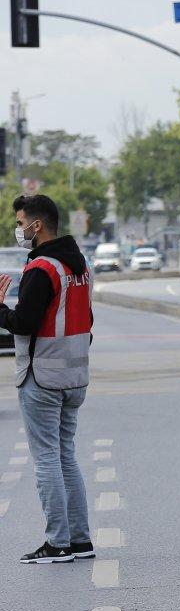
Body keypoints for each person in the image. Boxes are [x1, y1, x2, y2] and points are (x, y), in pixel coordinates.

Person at [0, 195, 94, 564]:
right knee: (66, 457)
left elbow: (23, 323)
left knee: (47, 461)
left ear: (37, 226)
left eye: (21, 223)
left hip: (41, 376)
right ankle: (81, 540)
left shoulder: (42, 269)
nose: (20, 230)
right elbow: (88, 318)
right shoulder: (79, 265)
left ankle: (57, 543)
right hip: (75, 376)